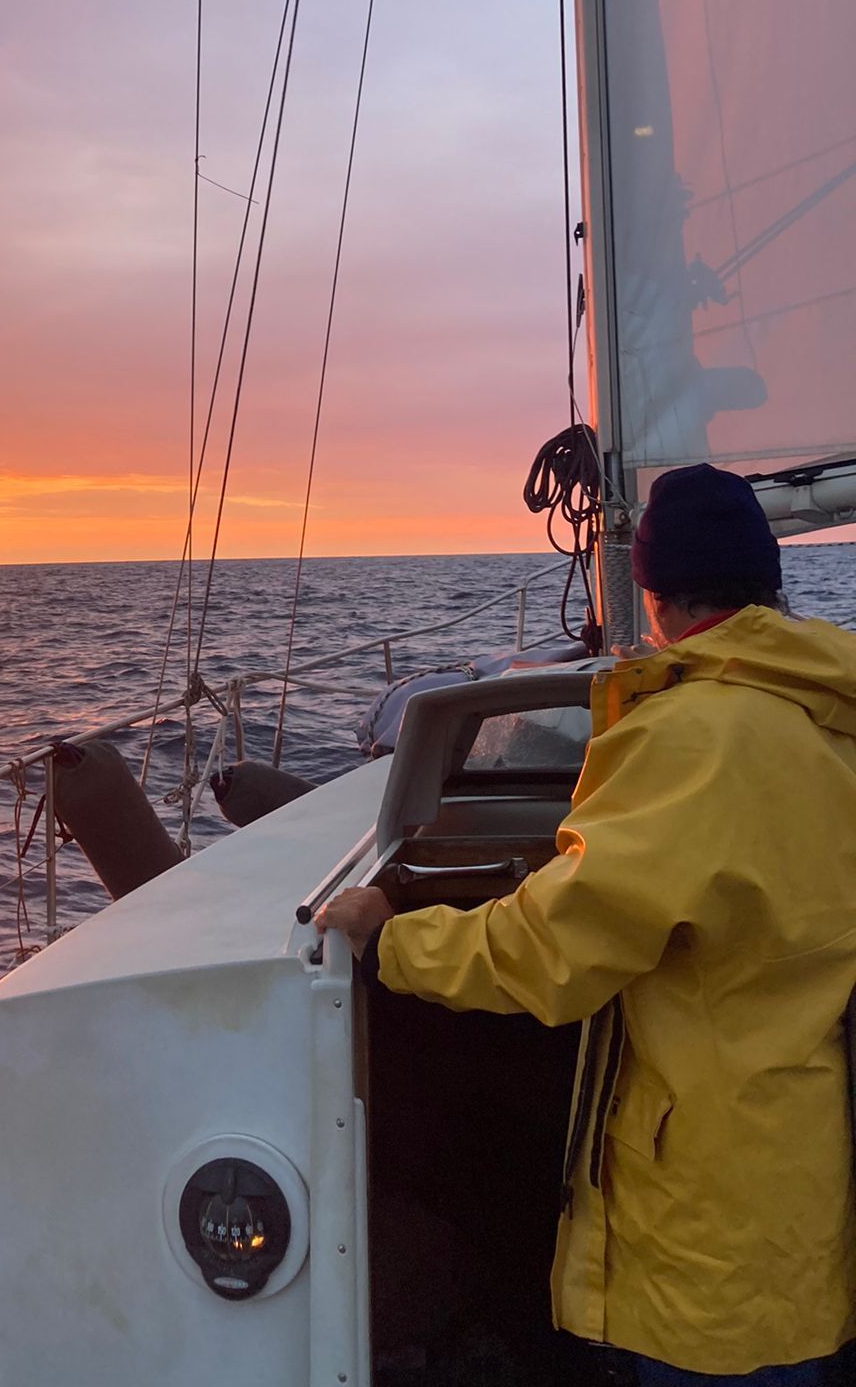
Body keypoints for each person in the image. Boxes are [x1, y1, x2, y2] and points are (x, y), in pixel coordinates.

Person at [319, 463, 856, 1385]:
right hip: (805, 1184)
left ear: (652, 598)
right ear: (768, 585)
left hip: (708, 1230)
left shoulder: (691, 739)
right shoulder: (829, 715)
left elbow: (550, 951)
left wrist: (389, 938)